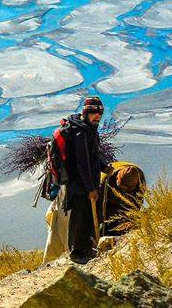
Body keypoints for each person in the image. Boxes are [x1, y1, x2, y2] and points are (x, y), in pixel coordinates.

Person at [63, 96, 106, 264]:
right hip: (79, 185)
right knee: (80, 218)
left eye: (99, 114)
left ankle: (87, 249)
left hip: (86, 183)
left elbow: (92, 157)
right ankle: (77, 253)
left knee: (88, 216)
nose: (97, 117)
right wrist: (90, 188)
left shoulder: (89, 130)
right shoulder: (80, 133)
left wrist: (104, 166)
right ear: (86, 113)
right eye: (94, 113)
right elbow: (82, 164)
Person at [98, 161, 146, 237]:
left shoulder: (140, 181)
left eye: (126, 189)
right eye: (120, 187)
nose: (122, 191)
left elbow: (137, 204)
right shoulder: (106, 178)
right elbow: (99, 204)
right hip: (108, 200)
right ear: (117, 178)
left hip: (124, 205)